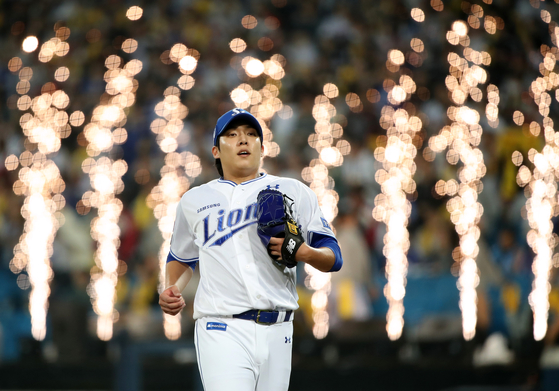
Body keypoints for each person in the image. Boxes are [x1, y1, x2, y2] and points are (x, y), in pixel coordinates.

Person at [159, 108, 343, 391]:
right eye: (232, 135)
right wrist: (171, 286)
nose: (243, 140)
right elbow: (181, 257)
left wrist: (304, 252)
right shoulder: (194, 200)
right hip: (222, 328)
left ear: (262, 147)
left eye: (251, 134)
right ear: (216, 151)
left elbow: (333, 256)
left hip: (279, 329)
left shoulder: (292, 190)